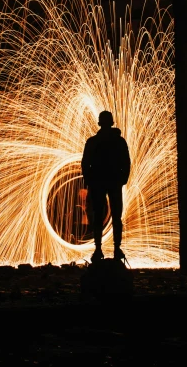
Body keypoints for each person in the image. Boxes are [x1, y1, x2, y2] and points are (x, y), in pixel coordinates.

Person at [81, 110, 131, 262]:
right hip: (113, 182)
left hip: (99, 182)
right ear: (111, 123)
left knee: (98, 217)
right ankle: (116, 249)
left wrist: (89, 180)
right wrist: (123, 179)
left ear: (99, 123)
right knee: (116, 216)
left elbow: (85, 163)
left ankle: (98, 250)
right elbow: (126, 162)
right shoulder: (119, 142)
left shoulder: (93, 142)